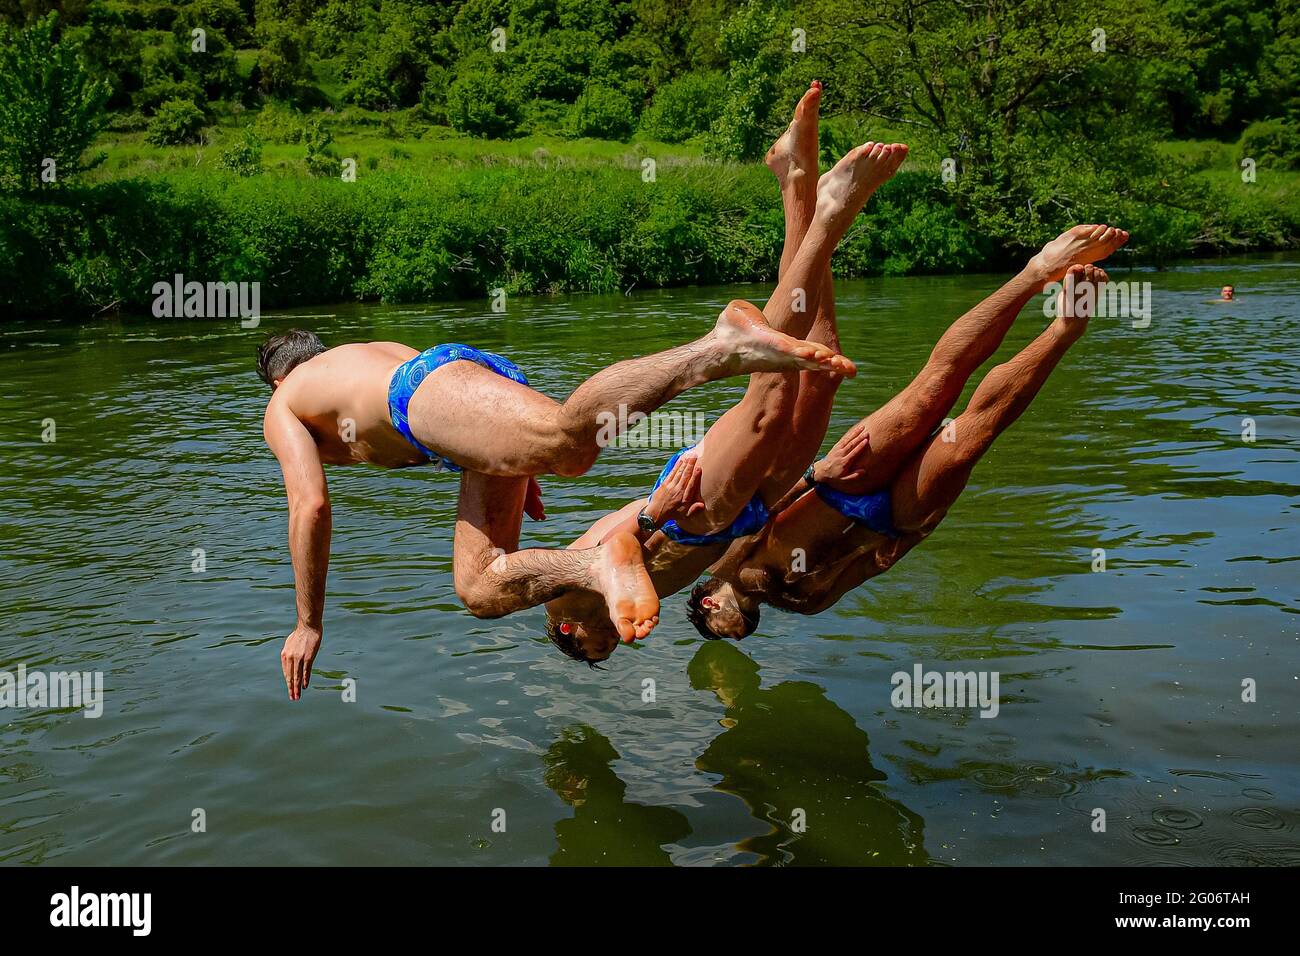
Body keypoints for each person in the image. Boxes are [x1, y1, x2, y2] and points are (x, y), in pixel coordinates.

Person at [259, 290, 853, 698]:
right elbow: (457, 418)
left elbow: (309, 505)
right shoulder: (346, 361)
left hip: (418, 396)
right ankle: (593, 564)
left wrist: (308, 623)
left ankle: (716, 348)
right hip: (445, 403)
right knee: (481, 587)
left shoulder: (285, 401)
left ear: (280, 378)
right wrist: (515, 472)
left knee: (571, 444)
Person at [543, 81, 910, 664]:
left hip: (692, 508)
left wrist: (648, 514)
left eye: (596, 649)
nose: (609, 644)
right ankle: (796, 180)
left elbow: (603, 546)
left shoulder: (563, 598)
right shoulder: (617, 606)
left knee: (770, 391)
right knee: (817, 376)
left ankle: (830, 212)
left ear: (567, 633)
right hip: (738, 517)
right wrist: (815, 479)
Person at [691, 262, 1115, 638]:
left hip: (843, 484)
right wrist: (914, 537)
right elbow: (868, 568)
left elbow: (759, 510)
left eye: (723, 633)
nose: (739, 637)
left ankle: (1033, 273)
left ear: (709, 603)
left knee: (936, 387)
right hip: (895, 518)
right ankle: (1063, 331)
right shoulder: (806, 604)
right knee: (973, 438)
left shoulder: (720, 565)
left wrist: (819, 472)